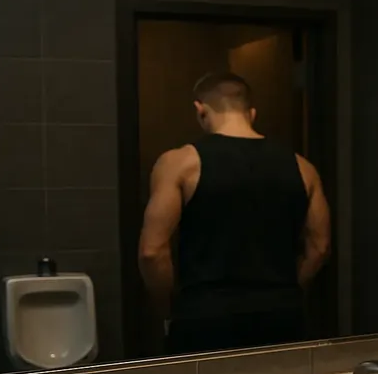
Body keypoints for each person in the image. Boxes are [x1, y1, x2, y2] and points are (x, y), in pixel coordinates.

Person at [138, 72, 331, 355]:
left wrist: (169, 309)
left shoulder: (180, 163)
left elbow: (151, 252)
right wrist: (285, 291)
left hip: (204, 317)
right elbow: (320, 247)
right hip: (282, 315)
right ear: (251, 113)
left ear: (199, 109)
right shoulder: (303, 167)